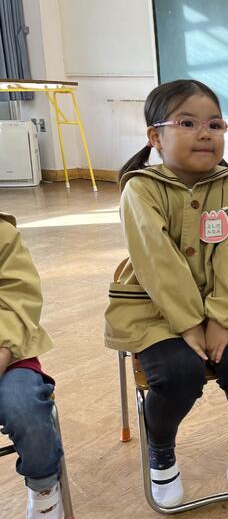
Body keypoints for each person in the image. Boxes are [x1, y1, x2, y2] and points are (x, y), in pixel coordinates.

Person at [105, 79, 228, 508]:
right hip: (154, 311)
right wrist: (191, 323)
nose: (205, 133)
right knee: (179, 374)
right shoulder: (140, 188)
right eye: (188, 123)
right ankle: (160, 447)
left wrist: (222, 320)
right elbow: (156, 261)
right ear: (155, 137)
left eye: (215, 124)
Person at [0, 211, 64, 519]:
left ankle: (43, 487)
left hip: (9, 351)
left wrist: (3, 349)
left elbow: (18, 297)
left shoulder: (3, 233)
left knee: (25, 409)